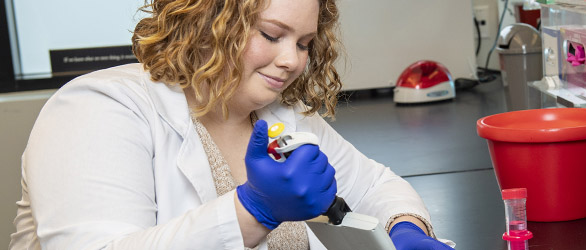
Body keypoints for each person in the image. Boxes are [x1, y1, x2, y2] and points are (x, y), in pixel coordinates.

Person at [8, 0, 455, 249]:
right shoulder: (101, 108)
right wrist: (252, 211)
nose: (292, 61)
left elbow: (375, 184)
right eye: (271, 34)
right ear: (208, 21)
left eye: (304, 43)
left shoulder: (280, 114)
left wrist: (406, 227)